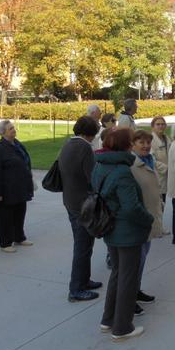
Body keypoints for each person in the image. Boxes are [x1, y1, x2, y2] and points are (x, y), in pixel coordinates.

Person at [93, 128, 153, 342]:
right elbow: (131, 207)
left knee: (118, 274)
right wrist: (148, 219)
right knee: (127, 278)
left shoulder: (101, 165)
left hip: (111, 228)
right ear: (125, 146)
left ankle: (108, 319)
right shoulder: (122, 171)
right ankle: (122, 327)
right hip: (126, 232)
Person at [59, 116, 101, 302]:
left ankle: (84, 280)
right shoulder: (84, 147)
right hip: (82, 204)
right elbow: (93, 177)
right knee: (83, 246)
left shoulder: (68, 144)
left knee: (84, 244)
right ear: (90, 133)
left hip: (71, 200)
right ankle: (76, 289)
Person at [130, 130, 164, 313]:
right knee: (134, 262)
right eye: (141, 142)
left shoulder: (149, 160)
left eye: (148, 142)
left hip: (150, 217)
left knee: (142, 260)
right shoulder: (131, 164)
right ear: (132, 144)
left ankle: (136, 290)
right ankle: (129, 298)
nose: (145, 146)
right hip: (139, 220)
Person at [0, 120, 34, 253]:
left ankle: (19, 237)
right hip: (7, 190)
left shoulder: (17, 144)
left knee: (20, 213)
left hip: (20, 187)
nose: (14, 130)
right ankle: (5, 243)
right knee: (5, 217)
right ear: (3, 133)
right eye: (10, 129)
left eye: (13, 127)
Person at [150, 116, 170, 214]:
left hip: (167, 176)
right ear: (152, 127)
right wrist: (167, 168)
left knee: (164, 202)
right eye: (158, 124)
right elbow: (152, 159)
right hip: (157, 176)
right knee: (157, 205)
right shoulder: (150, 140)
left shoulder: (167, 138)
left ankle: (161, 222)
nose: (161, 126)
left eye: (162, 124)